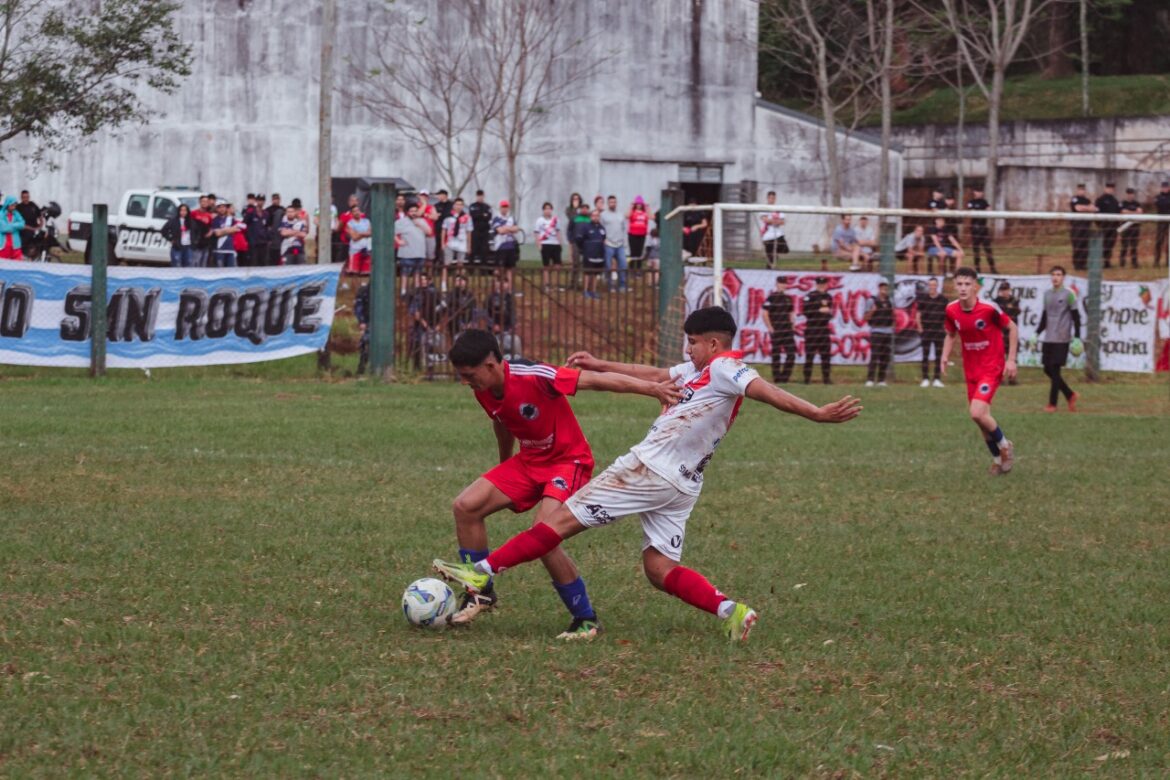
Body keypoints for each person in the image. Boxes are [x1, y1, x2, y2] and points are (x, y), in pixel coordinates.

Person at [431, 307, 863, 643]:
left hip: (649, 469)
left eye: (692, 342)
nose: (686, 349)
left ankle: (482, 571)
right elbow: (655, 375)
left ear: (714, 343)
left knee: (555, 524)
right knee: (658, 569)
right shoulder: (700, 369)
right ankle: (732, 611)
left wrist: (816, 413)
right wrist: (599, 362)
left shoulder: (727, 368)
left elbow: (764, 391)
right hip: (682, 484)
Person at [435, 329, 683, 637]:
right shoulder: (482, 388)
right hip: (529, 462)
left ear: (490, 364)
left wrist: (652, 389)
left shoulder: (536, 375)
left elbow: (595, 381)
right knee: (466, 506)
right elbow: (502, 421)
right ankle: (480, 592)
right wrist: (504, 465)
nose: (465, 382)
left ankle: (585, 619)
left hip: (569, 462)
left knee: (544, 536)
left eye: (469, 375)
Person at [940, 267, 1019, 476]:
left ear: (976, 286)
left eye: (967, 284)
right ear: (954, 285)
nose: (963, 288)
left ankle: (1004, 446)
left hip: (992, 367)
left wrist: (1010, 360)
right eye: (959, 284)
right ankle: (997, 461)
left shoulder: (989, 308)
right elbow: (950, 333)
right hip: (971, 369)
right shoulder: (951, 309)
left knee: (976, 412)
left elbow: (1012, 328)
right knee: (980, 418)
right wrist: (944, 356)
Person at [1036, 265, 1081, 413]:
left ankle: (1052, 404)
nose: (1055, 277)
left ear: (1063, 278)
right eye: (1053, 274)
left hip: (1062, 338)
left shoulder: (1069, 294)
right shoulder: (1047, 294)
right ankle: (1070, 394)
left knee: (1055, 369)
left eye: (1059, 274)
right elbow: (1045, 316)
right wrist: (1036, 333)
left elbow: (1076, 317)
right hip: (1049, 337)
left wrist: (1077, 337)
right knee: (1047, 369)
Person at [761, 275, 795, 383]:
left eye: (784, 283)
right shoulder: (771, 297)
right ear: (777, 284)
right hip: (776, 330)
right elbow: (765, 314)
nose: (782, 285)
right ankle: (777, 378)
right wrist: (770, 328)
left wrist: (792, 325)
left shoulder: (788, 298)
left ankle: (785, 377)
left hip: (787, 330)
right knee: (776, 354)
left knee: (791, 354)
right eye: (780, 283)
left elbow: (791, 313)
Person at [408, 271, 444, 374]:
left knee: (431, 346)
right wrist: (424, 324)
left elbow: (443, 309)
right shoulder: (416, 294)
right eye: (421, 280)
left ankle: (430, 370)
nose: (423, 282)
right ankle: (416, 368)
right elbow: (415, 312)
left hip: (433, 323)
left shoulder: (435, 293)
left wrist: (438, 324)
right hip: (420, 325)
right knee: (417, 344)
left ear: (429, 281)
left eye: (425, 279)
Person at [915, 277, 947, 387]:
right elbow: (918, 314)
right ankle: (925, 379)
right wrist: (920, 327)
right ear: (928, 286)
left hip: (939, 331)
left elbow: (948, 315)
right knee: (925, 355)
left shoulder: (943, 299)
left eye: (934, 284)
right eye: (930, 285)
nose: (932, 287)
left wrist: (946, 328)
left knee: (939, 356)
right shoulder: (923, 299)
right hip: (926, 331)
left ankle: (937, 379)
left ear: (937, 286)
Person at [396, 202, 433, 295]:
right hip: (407, 253)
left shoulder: (421, 221)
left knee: (418, 273)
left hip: (420, 252)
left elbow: (429, 232)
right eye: (411, 211)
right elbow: (392, 232)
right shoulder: (401, 222)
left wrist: (419, 224)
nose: (413, 213)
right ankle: (403, 291)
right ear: (407, 212)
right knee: (405, 274)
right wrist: (398, 241)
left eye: (415, 211)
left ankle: (417, 291)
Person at [802, 276, 833, 384]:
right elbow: (806, 312)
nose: (822, 286)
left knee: (826, 356)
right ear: (816, 285)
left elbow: (830, 313)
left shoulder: (828, 296)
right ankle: (806, 379)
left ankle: (826, 379)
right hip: (812, 329)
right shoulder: (810, 296)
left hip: (824, 329)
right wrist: (819, 310)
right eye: (820, 284)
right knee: (809, 355)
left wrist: (825, 312)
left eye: (824, 284)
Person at [863, 281, 894, 386]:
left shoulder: (890, 301)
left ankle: (881, 380)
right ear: (879, 288)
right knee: (875, 356)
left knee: (885, 357)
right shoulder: (872, 300)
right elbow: (865, 317)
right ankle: (870, 379)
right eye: (882, 288)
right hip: (876, 331)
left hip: (888, 331)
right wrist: (873, 311)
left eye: (886, 288)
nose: (884, 290)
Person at [440, 197, 470, 292]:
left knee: (460, 265)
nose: (459, 206)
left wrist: (469, 246)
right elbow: (443, 230)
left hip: (461, 243)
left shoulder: (466, 217)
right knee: (447, 264)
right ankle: (444, 285)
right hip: (450, 242)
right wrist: (442, 243)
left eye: (461, 204)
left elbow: (469, 232)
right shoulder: (448, 216)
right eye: (457, 204)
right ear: (454, 205)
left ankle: (459, 284)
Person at [576, 208, 607, 300]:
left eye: (597, 215)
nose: (595, 217)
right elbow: (579, 240)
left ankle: (593, 291)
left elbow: (604, 239)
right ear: (590, 217)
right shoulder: (586, 227)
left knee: (595, 274)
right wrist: (584, 249)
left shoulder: (602, 228)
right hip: (588, 255)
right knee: (587, 273)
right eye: (593, 215)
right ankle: (585, 291)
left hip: (599, 255)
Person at [600, 195, 627, 292]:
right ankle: (610, 285)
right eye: (611, 202)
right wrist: (603, 241)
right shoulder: (603, 215)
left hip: (620, 245)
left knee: (623, 264)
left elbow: (624, 229)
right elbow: (601, 229)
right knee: (608, 265)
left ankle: (622, 285)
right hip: (608, 244)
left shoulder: (620, 215)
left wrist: (624, 242)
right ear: (608, 203)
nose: (613, 204)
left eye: (614, 202)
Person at [533, 201, 563, 292]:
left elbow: (558, 232)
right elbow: (536, 233)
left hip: (555, 244)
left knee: (557, 266)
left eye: (549, 208)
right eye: (546, 208)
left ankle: (556, 285)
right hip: (545, 244)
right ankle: (546, 285)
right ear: (543, 210)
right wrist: (539, 245)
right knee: (546, 266)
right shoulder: (539, 220)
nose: (547, 210)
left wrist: (560, 243)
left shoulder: (555, 220)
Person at [965, 187, 995, 273]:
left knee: (988, 249)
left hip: (983, 228)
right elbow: (970, 211)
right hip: (975, 229)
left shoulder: (984, 202)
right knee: (976, 250)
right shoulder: (971, 202)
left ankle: (992, 268)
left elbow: (989, 209)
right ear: (974, 192)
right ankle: (978, 269)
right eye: (978, 191)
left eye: (981, 191)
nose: (979, 193)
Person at [757, 191, 788, 270]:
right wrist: (775, 221)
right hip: (767, 235)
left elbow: (782, 221)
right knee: (769, 255)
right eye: (770, 198)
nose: (772, 200)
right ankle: (769, 268)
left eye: (773, 198)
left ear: (775, 199)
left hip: (778, 234)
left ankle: (773, 260)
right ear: (767, 198)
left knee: (785, 249)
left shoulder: (778, 209)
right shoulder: (763, 208)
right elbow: (765, 220)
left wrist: (772, 220)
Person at [1068, 183, 1096, 271]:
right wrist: (1087, 208)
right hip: (1077, 226)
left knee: (1085, 246)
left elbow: (1094, 209)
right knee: (1077, 245)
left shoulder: (1086, 200)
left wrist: (1085, 208)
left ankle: (1083, 264)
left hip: (1086, 226)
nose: (1081, 191)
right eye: (1080, 189)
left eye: (1083, 189)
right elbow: (1077, 208)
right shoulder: (1074, 199)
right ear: (1077, 190)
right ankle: (1077, 264)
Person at [161, 203, 195, 267]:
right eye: (181, 210)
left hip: (188, 247)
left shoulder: (191, 221)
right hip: (177, 246)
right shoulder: (173, 221)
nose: (183, 212)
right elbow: (164, 230)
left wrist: (194, 241)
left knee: (188, 264)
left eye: (185, 210)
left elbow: (196, 232)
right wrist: (171, 239)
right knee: (177, 264)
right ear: (179, 211)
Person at [210, 200, 243, 268]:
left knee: (231, 271)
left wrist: (223, 231)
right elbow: (217, 233)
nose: (222, 209)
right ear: (216, 208)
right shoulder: (215, 220)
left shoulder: (230, 219)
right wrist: (229, 230)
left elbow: (236, 229)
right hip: (219, 250)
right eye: (219, 207)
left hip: (230, 249)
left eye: (223, 207)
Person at [1095, 182, 1121, 268]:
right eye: (1109, 188)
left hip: (1113, 227)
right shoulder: (1100, 200)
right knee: (1103, 244)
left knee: (1110, 245)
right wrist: (1099, 224)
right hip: (1104, 226)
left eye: (1112, 189)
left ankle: (1107, 262)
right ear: (1105, 189)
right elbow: (1096, 212)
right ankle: (1099, 261)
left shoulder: (1115, 201)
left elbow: (1118, 213)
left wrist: (1117, 226)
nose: (1110, 190)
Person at [445, 273, 476, 340]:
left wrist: (470, 323)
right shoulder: (451, 295)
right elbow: (450, 312)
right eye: (457, 281)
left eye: (461, 280)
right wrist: (461, 325)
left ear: (465, 282)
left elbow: (474, 310)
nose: (459, 283)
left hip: (469, 326)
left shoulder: (470, 295)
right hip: (456, 328)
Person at [565, 193, 586, 289]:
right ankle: (573, 283)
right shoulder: (569, 210)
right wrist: (575, 209)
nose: (576, 200)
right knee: (575, 262)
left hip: (585, 240)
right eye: (574, 199)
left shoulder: (584, 210)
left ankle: (584, 283)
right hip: (575, 240)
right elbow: (572, 218)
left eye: (577, 199)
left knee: (585, 262)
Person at [569, 202, 591, 291]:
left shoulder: (590, 219)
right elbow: (569, 230)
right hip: (576, 244)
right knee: (576, 263)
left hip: (587, 244)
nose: (585, 209)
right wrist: (571, 240)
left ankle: (587, 285)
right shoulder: (575, 218)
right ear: (580, 209)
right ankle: (574, 284)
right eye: (583, 208)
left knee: (587, 264)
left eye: (586, 208)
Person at [468, 190, 493, 269]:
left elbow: (489, 217)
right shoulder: (472, 206)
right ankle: (471, 268)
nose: (480, 197)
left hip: (485, 231)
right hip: (475, 231)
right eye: (478, 196)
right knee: (473, 249)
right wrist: (482, 215)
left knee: (484, 250)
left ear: (483, 196)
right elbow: (473, 216)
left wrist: (479, 215)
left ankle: (483, 268)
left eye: (481, 196)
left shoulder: (487, 206)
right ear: (476, 196)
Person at [1119, 188, 1143, 268]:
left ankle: (1134, 263)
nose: (1130, 195)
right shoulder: (1123, 203)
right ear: (1127, 195)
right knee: (1124, 246)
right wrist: (1134, 212)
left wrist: (1129, 212)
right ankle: (1122, 263)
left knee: (1134, 246)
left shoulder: (1137, 203)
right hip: (1125, 227)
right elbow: (1123, 212)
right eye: (1129, 194)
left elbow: (1140, 212)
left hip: (1135, 227)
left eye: (1132, 194)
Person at [345, 203, 372, 276]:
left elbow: (370, 233)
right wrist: (364, 233)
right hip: (355, 250)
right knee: (354, 273)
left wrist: (358, 233)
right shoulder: (349, 224)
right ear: (351, 213)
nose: (356, 212)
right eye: (354, 211)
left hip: (367, 249)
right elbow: (354, 237)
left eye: (358, 210)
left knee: (366, 273)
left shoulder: (366, 221)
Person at [627, 196, 650, 269]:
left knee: (639, 252)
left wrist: (647, 208)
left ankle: (638, 268)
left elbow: (652, 217)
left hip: (642, 234)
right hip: (633, 234)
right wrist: (631, 207)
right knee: (633, 252)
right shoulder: (632, 212)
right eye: (637, 204)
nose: (639, 205)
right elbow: (627, 216)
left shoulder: (644, 213)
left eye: (640, 204)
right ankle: (631, 268)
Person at [1154, 181, 1170, 268]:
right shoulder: (1158, 197)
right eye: (1163, 187)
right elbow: (1159, 204)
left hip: (1169, 222)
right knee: (1159, 242)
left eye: (1166, 187)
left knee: (1169, 243)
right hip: (1161, 222)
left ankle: (1168, 261)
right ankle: (1156, 261)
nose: (1165, 188)